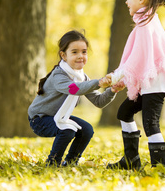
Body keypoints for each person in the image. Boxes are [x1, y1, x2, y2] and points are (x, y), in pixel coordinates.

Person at [107, 0, 165, 170]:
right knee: (125, 112)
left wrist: (115, 76)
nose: (126, 1)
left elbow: (136, 59)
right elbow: (139, 59)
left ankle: (158, 167)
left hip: (155, 84)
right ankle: (131, 161)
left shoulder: (146, 25)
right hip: (151, 82)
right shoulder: (146, 22)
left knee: (151, 124)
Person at [28, 30, 122, 167]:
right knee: (67, 129)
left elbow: (99, 101)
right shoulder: (58, 75)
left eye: (84, 52)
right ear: (63, 55)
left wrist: (112, 90)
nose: (80, 56)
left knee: (87, 130)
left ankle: (71, 162)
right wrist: (99, 83)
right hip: (39, 119)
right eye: (74, 52)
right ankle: (53, 162)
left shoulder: (81, 77)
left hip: (59, 116)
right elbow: (74, 89)